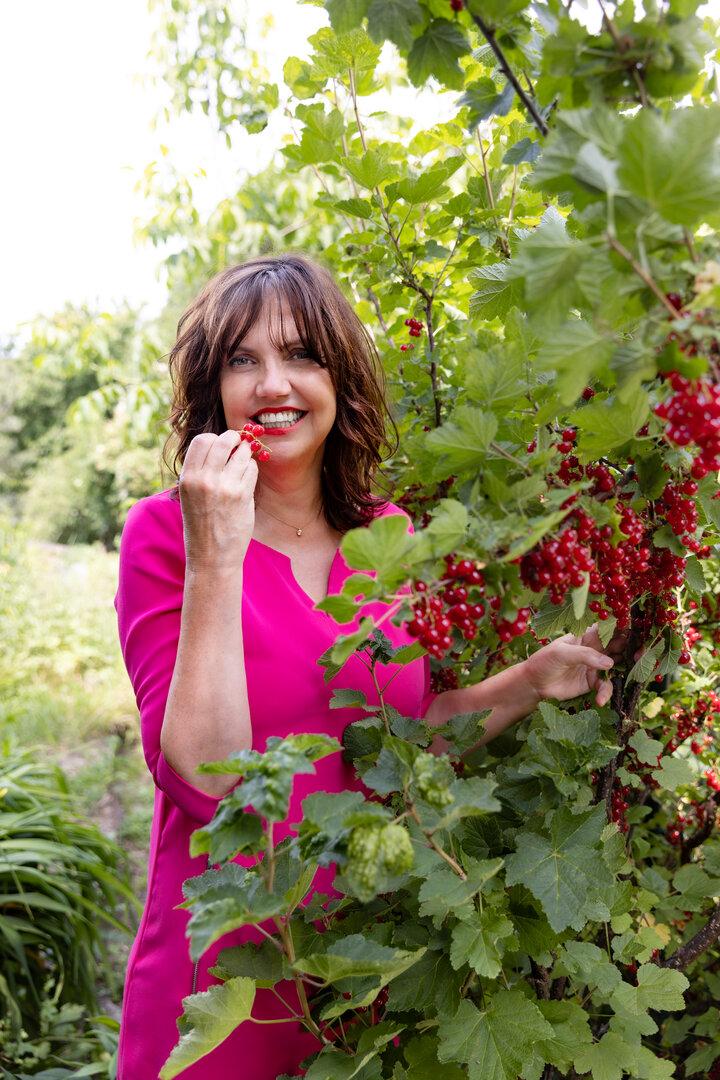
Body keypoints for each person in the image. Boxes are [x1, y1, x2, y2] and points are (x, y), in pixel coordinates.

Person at [114, 252, 626, 1078]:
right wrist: (219, 559)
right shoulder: (167, 535)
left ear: (339, 377)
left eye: (300, 354)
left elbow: (395, 752)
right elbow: (210, 779)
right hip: (226, 993)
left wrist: (529, 682)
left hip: (370, 979)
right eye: (242, 360)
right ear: (213, 392)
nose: (272, 384)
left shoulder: (388, 536)